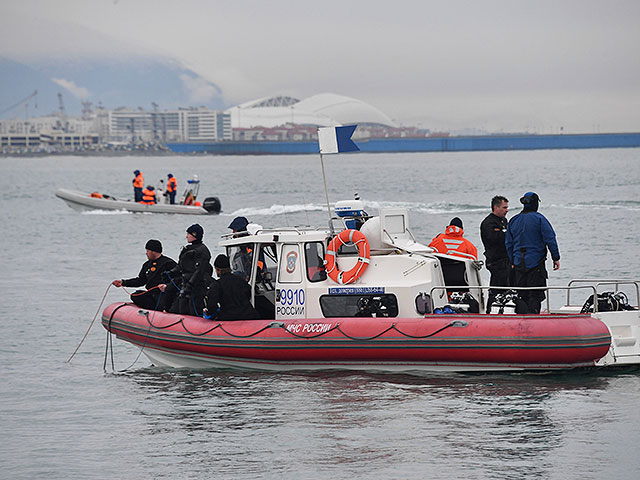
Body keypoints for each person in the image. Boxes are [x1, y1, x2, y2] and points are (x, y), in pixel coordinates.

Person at [505, 192, 560, 314]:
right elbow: (550, 238)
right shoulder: (540, 219)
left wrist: (512, 260)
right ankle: (533, 318)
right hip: (536, 264)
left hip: (518, 263)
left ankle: (521, 318)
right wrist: (555, 257)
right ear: (535, 203)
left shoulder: (514, 220)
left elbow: (508, 243)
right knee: (535, 294)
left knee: (521, 294)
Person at [158, 224, 212, 316]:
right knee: (179, 309)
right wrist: (170, 273)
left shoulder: (202, 251)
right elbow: (180, 266)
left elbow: (199, 271)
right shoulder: (187, 249)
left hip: (195, 289)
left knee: (193, 311)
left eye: (188, 234)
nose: (186, 236)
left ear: (195, 235)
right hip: (184, 287)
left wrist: (190, 285)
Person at [112, 239, 177, 310]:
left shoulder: (169, 263)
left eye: (147, 251)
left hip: (163, 294)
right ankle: (151, 312)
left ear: (153, 251)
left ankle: (161, 310)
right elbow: (141, 280)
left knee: (163, 303)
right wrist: (123, 282)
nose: (146, 253)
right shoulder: (147, 265)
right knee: (135, 295)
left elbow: (177, 280)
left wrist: (167, 286)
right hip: (151, 293)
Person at [205, 254, 260, 320]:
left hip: (230, 318)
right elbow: (248, 294)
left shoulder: (217, 285)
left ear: (218, 270)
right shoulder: (241, 281)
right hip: (249, 315)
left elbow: (211, 306)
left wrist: (209, 312)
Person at [480, 195, 510, 311]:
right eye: (504, 207)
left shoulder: (504, 221)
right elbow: (496, 239)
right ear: (496, 207)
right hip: (496, 262)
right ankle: (490, 311)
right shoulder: (488, 223)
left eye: (507, 207)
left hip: (506, 260)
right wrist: (506, 233)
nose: (506, 210)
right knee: (496, 289)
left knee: (507, 288)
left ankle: (505, 310)